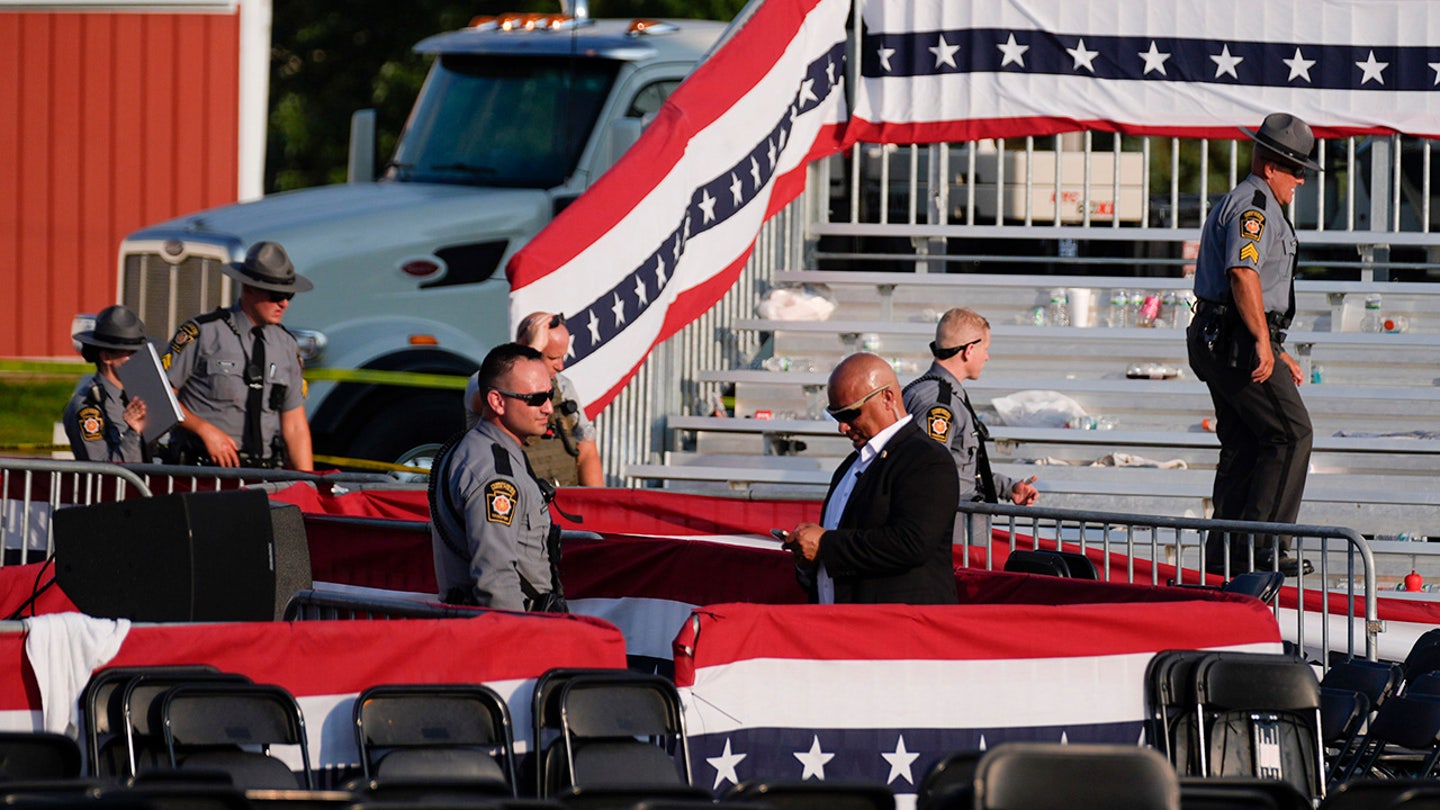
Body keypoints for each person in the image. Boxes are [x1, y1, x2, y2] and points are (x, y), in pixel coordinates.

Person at [1187, 112, 1318, 574]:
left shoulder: (1249, 200)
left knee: (1244, 443)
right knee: (1290, 434)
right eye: (1296, 169)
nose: (1300, 181)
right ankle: (1267, 547)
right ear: (1271, 166)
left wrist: (1273, 344)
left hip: (1225, 335)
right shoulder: (1255, 207)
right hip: (1236, 341)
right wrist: (1263, 340)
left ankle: (1227, 555)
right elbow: (1242, 273)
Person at [783, 352, 960, 605]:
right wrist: (808, 560)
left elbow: (912, 543)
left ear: (887, 398)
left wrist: (825, 545)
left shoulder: (927, 458)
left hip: (894, 631)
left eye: (850, 414)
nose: (842, 427)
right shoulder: (849, 466)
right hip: (840, 627)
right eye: (835, 416)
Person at [432, 343, 566, 611]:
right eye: (536, 399)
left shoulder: (482, 449)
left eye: (549, 395)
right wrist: (518, 640)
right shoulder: (494, 472)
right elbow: (495, 578)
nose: (549, 408)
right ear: (497, 401)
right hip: (511, 629)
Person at [159, 241, 314, 470]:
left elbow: (295, 426)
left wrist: (306, 483)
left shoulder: (287, 346)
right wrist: (205, 430)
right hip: (202, 472)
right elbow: (159, 396)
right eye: (275, 294)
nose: (283, 303)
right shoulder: (203, 333)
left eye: (288, 295)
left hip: (263, 477)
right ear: (248, 288)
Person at [902, 308, 1039, 543]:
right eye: (985, 349)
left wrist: (1007, 488)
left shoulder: (945, 394)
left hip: (955, 534)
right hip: (947, 540)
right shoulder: (939, 402)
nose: (987, 357)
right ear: (969, 350)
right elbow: (928, 476)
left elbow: (961, 468)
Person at [462, 311, 601, 486]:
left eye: (562, 357)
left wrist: (597, 505)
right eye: (552, 358)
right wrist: (531, 350)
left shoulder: (563, 385)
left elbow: (586, 446)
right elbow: (482, 400)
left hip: (562, 502)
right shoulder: (486, 380)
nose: (560, 366)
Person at [63, 305, 151, 463]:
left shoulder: (135, 396)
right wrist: (133, 432)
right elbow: (104, 470)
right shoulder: (88, 408)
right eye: (130, 353)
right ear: (106, 357)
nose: (139, 359)